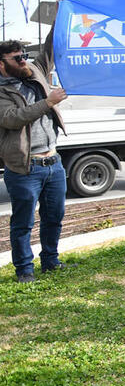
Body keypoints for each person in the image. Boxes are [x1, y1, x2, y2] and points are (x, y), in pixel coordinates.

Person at [0, 31, 68, 283]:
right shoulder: (1, 91)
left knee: (54, 217)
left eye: (24, 55)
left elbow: (49, 49)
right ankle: (24, 271)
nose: (23, 61)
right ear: (2, 63)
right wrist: (48, 102)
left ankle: (50, 261)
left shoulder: (34, 70)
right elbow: (13, 118)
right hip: (25, 167)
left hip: (54, 162)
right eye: (17, 58)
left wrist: (58, 20)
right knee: (23, 223)